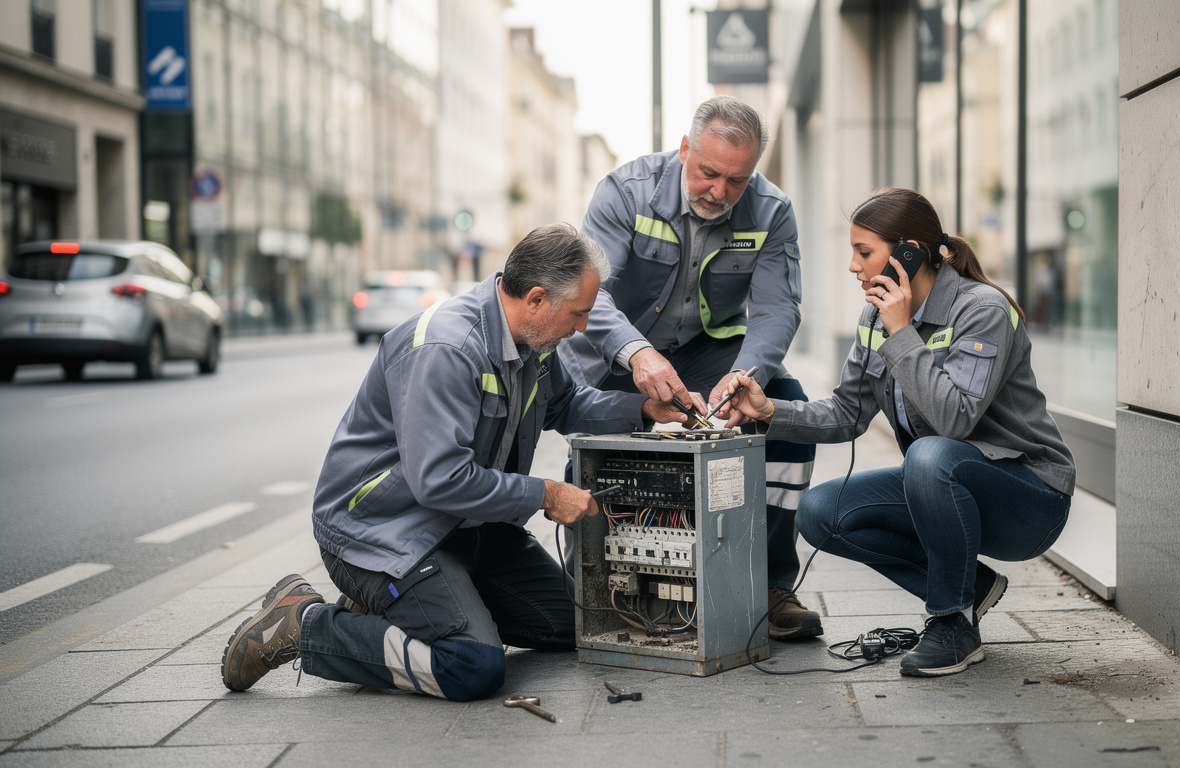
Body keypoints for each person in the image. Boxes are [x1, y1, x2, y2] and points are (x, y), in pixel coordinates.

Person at [220, 224, 696, 700]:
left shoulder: (534, 345)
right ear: (535, 299)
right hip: (386, 535)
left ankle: (405, 612)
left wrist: (645, 410)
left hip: (467, 527)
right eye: (578, 314)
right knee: (472, 666)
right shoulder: (446, 348)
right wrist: (546, 494)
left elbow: (571, 406)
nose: (582, 328)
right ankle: (305, 625)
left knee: (584, 625)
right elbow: (439, 480)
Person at [720, 188, 1075, 676]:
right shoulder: (875, 317)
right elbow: (847, 412)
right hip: (945, 486)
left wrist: (902, 332)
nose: (853, 266)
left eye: (863, 252)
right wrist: (768, 410)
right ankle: (970, 586)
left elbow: (954, 420)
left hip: (1028, 496)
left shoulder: (981, 309)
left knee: (928, 456)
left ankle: (952, 622)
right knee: (821, 513)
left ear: (909, 252)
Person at [558, 95, 822, 640]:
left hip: (709, 349)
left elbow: (777, 309)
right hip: (618, 350)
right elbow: (592, 295)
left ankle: (771, 584)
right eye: (708, 173)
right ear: (684, 150)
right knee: (597, 450)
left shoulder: (772, 212)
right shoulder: (624, 193)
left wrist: (746, 373)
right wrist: (636, 353)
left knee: (785, 416)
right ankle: (587, 591)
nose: (720, 192)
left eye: (736, 180)